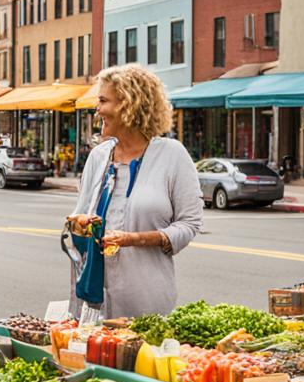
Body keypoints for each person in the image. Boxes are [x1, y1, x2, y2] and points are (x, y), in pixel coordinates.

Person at [66, 64, 202, 320]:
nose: (97, 110)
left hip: (145, 300)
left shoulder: (172, 155)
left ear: (129, 104)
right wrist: (79, 224)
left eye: (103, 101)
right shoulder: (98, 157)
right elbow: (80, 217)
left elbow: (189, 224)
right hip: (93, 301)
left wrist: (135, 239)